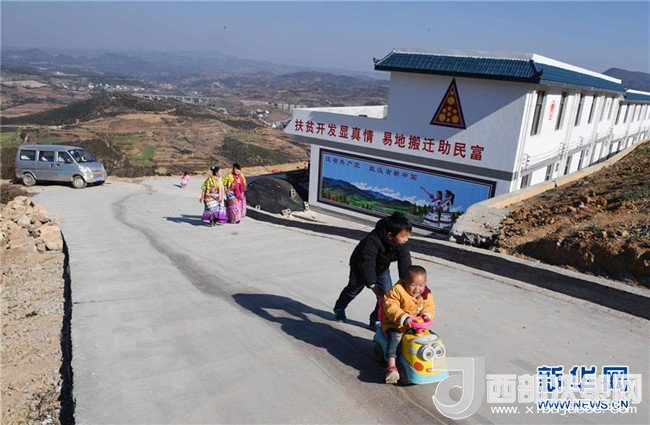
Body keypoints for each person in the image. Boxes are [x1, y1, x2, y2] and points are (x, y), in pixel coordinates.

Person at [333, 212, 412, 329]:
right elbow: (367, 264)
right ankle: (339, 307)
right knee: (353, 290)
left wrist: (407, 281)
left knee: (386, 296)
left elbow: (405, 260)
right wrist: (373, 285)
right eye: (403, 236)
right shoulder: (372, 241)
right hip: (360, 266)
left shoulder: (401, 243)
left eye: (408, 235)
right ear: (390, 235)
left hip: (381, 268)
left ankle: (376, 319)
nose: (406, 239)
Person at [382, 265, 435, 384]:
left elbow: (429, 306)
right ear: (405, 281)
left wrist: (426, 315)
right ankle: (391, 367)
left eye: (421, 285)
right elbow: (390, 306)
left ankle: (430, 361)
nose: (417, 289)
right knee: (395, 339)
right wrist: (403, 317)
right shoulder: (397, 291)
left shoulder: (426, 294)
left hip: (416, 325)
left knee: (431, 338)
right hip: (396, 324)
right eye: (413, 284)